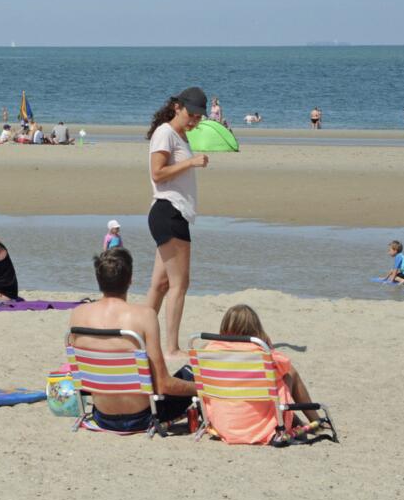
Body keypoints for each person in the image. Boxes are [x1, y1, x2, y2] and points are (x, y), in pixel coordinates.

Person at [67, 247, 197, 433]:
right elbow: (163, 384)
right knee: (191, 373)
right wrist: (200, 388)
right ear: (130, 280)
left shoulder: (78, 315)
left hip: (102, 416)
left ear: (99, 280)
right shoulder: (145, 316)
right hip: (142, 417)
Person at [144, 86, 209, 360]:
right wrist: (191, 162)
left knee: (160, 284)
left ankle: (138, 339)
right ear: (177, 107)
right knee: (179, 284)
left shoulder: (180, 136)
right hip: (168, 211)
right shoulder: (165, 133)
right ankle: (171, 348)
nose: (194, 120)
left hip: (172, 213)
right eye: (191, 114)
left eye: (199, 117)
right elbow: (157, 173)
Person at [202, 304, 323, 444]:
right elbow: (285, 365)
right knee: (290, 374)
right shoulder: (261, 353)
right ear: (255, 328)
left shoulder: (209, 351)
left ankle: (298, 419)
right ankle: (315, 420)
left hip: (224, 424)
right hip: (260, 427)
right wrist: (268, 345)